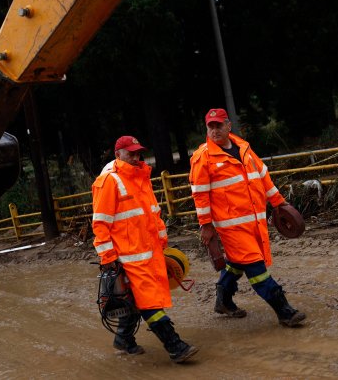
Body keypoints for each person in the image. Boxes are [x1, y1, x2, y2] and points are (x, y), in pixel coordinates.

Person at [189, 109, 306, 327]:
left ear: (228, 126)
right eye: (210, 126)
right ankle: (284, 311)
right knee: (255, 267)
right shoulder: (202, 158)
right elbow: (200, 196)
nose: (214, 130)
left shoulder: (244, 148)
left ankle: (223, 301)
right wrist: (206, 226)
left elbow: (263, 177)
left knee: (236, 263)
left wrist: (279, 203)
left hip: (254, 221)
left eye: (218, 125)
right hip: (230, 227)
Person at [91, 135, 199, 363]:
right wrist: (108, 257)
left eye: (138, 152)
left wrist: (162, 244)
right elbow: (100, 224)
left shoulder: (141, 177)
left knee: (135, 301)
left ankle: (123, 340)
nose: (135, 157)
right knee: (149, 302)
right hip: (128, 258)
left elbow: (153, 214)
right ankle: (175, 346)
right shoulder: (109, 181)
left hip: (149, 253)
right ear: (117, 154)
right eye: (130, 153)